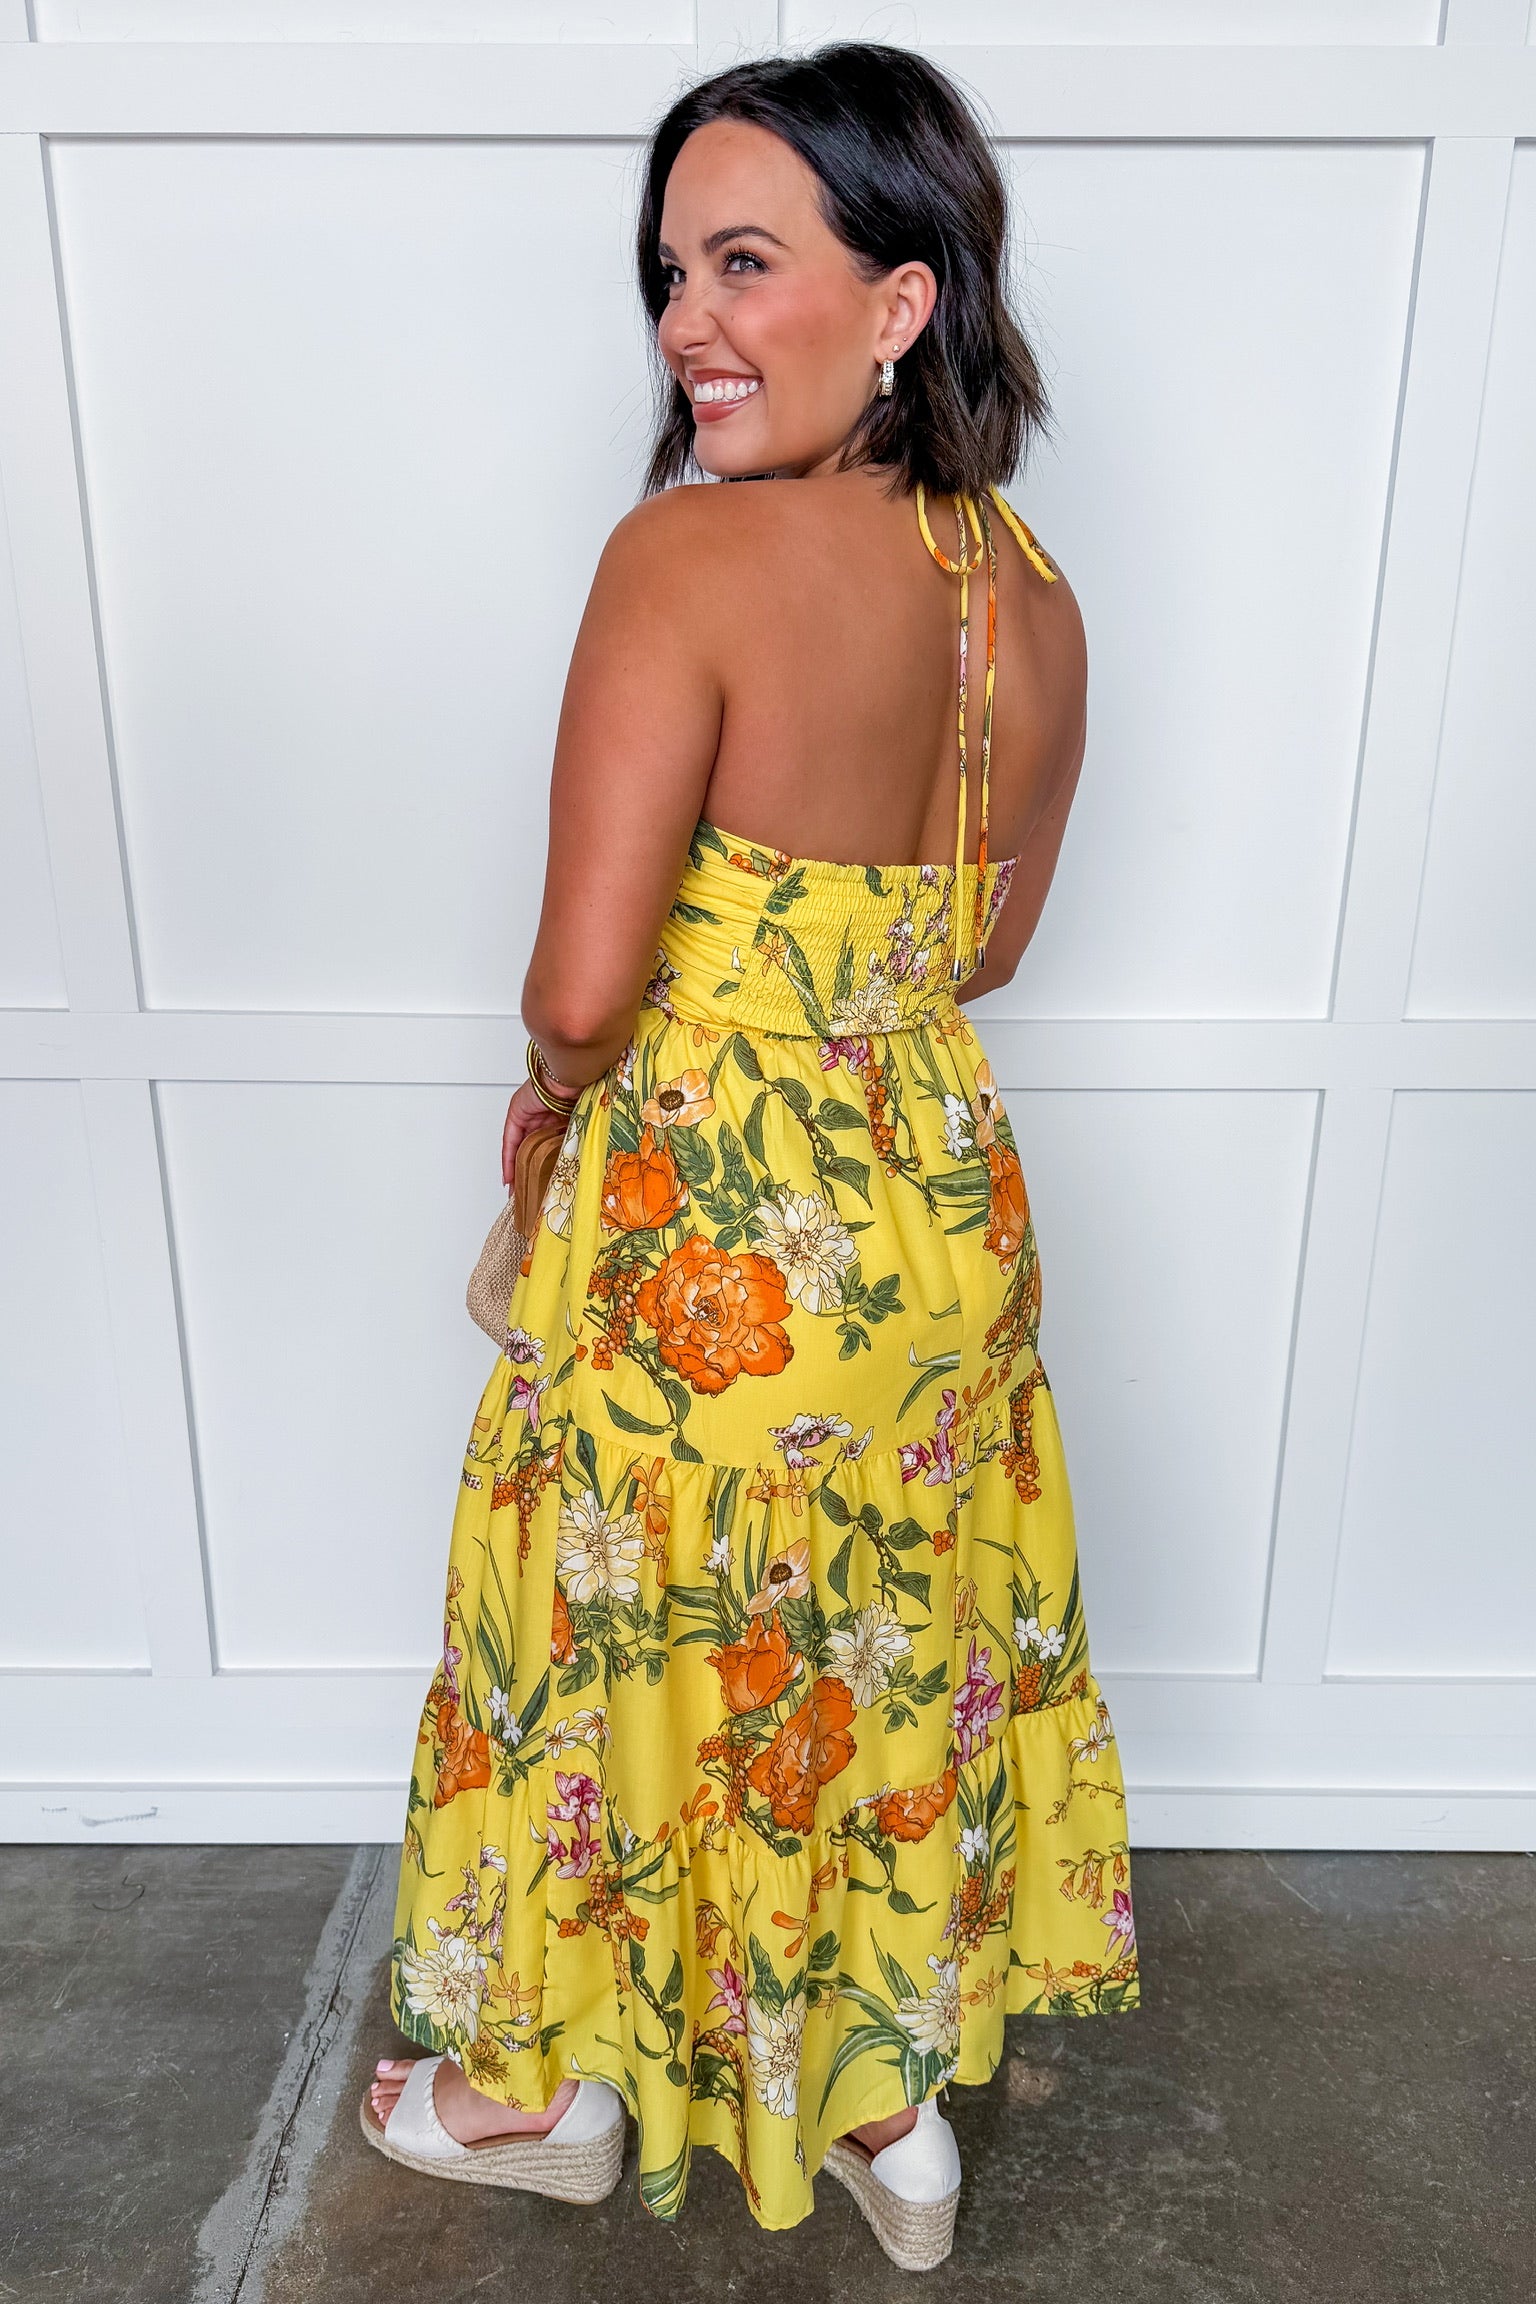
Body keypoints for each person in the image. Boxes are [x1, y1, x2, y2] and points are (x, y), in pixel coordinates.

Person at [361, 41, 1139, 2270]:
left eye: (742, 263)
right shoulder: (1030, 597)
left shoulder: (686, 561)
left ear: (900, 302)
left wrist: (552, 1084)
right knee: (881, 1645)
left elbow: (584, 986)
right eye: (670, 272)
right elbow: (983, 949)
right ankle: (894, 2115)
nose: (687, 321)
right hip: (938, 1223)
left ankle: (541, 2093)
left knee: (622, 1634)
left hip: (715, 1235)